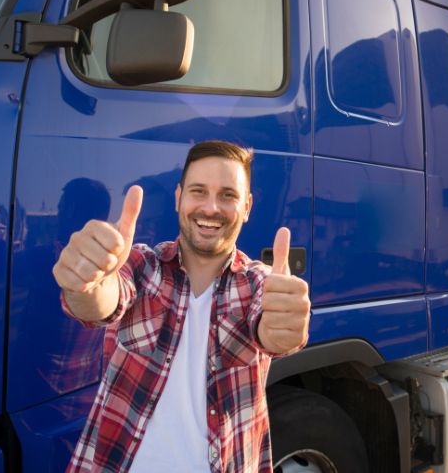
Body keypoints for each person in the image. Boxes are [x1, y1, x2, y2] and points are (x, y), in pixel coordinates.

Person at [53, 140, 310, 473]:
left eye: (228, 195)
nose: (211, 208)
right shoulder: (143, 265)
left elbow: (271, 331)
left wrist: (283, 333)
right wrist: (85, 285)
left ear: (247, 207)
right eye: (198, 191)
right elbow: (103, 300)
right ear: (179, 198)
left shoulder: (258, 283)